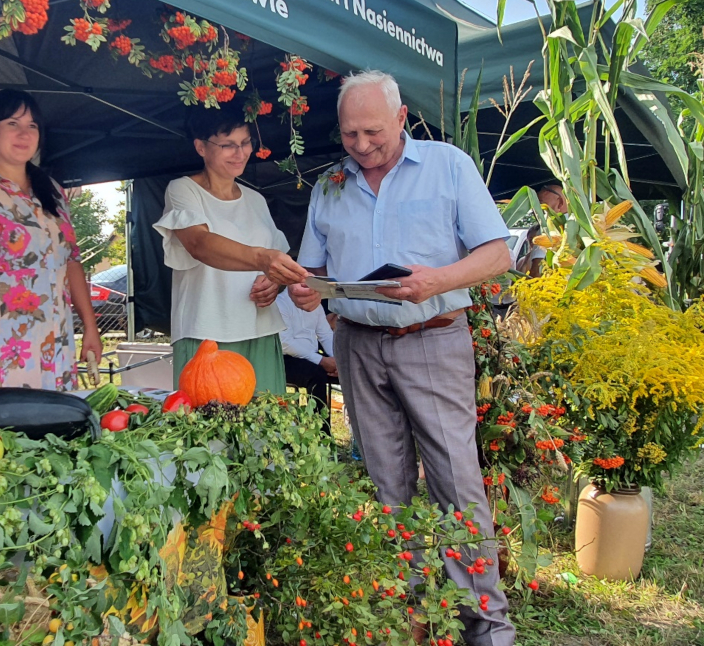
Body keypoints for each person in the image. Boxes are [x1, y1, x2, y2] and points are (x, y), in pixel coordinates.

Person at [289, 70, 515, 646]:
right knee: (387, 484)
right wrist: (304, 288)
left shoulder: (448, 166)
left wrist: (438, 279)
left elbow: (497, 255)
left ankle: (486, 626)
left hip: (432, 338)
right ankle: (412, 615)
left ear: (401, 118)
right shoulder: (330, 184)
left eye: (373, 132)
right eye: (350, 134)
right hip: (358, 345)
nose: (361, 145)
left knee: (456, 483)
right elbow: (313, 269)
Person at [0, 89, 101, 390]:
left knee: (56, 420)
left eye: (32, 126)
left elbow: (71, 262)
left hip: (55, 347)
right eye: (12, 123)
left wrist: (90, 327)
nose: (24, 134)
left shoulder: (52, 190)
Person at [154, 103, 307, 393]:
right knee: (208, 421)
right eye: (228, 145)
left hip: (260, 329)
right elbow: (200, 244)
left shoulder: (256, 200)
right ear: (200, 147)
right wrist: (262, 260)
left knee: (267, 419)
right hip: (206, 333)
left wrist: (274, 282)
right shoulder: (183, 189)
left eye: (246, 142)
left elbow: (276, 262)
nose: (240, 153)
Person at [275, 287, 337, 432]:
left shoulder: (315, 304)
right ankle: (321, 433)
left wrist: (338, 361)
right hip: (285, 359)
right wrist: (321, 361)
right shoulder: (280, 302)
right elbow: (285, 344)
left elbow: (326, 335)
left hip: (312, 357)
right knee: (316, 374)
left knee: (350, 372)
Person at [526, 184, 567, 277]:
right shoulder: (583, 224)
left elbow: (537, 269)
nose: (536, 212)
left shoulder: (547, 228)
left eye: (541, 206)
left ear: (560, 203)